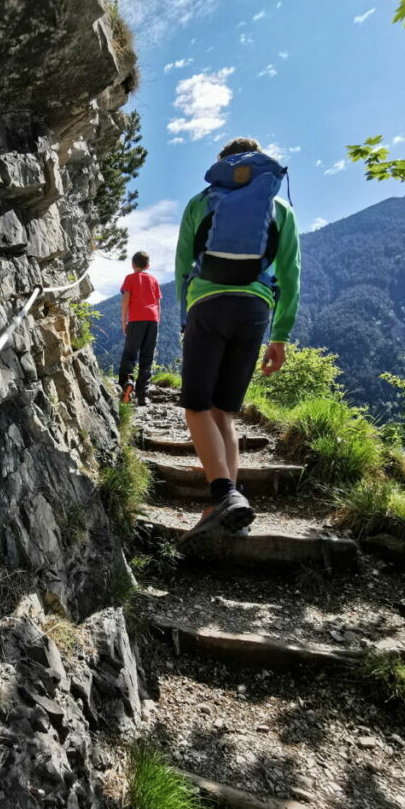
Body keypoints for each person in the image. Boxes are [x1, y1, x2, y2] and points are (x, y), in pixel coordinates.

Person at [174, 137, 300, 541]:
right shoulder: (278, 207)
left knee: (196, 407)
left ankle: (223, 495)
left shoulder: (201, 202)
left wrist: (184, 319)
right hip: (256, 310)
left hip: (208, 306)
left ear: (222, 166)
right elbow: (291, 273)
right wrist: (280, 336)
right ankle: (231, 503)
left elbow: (182, 266)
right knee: (222, 412)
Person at [118, 251, 162, 407]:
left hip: (136, 320)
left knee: (130, 354)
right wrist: (157, 321)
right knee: (147, 357)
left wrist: (124, 322)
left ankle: (126, 383)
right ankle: (142, 395)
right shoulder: (154, 280)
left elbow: (125, 301)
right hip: (153, 320)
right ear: (148, 266)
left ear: (132, 264)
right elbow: (158, 304)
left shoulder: (130, 278)